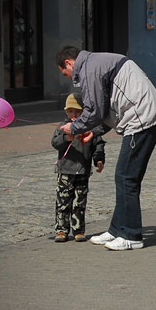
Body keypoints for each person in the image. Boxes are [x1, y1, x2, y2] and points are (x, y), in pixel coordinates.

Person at [56, 46, 156, 251]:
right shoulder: (96, 62)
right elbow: (107, 103)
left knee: (126, 177)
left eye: (66, 74)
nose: (70, 78)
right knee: (124, 176)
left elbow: (95, 109)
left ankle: (131, 235)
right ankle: (117, 229)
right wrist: (95, 131)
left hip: (141, 119)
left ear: (69, 63)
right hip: (142, 115)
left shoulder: (89, 68)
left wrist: (74, 127)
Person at [51, 92, 106, 243]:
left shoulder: (90, 128)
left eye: (77, 111)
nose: (73, 115)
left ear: (83, 112)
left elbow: (98, 144)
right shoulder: (63, 127)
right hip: (65, 171)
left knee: (79, 202)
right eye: (70, 111)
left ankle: (78, 230)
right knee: (63, 202)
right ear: (66, 112)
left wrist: (99, 159)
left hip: (82, 170)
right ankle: (61, 230)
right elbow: (55, 143)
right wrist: (67, 138)